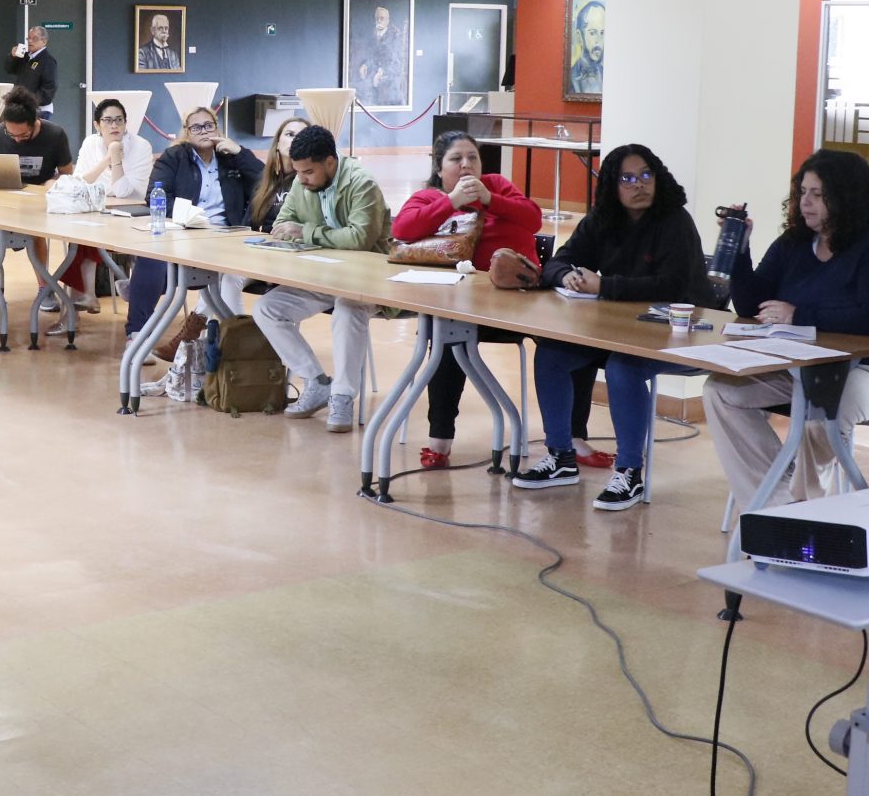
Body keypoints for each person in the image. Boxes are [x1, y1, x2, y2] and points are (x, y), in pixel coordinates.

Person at [704, 150, 869, 506]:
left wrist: (799, 314)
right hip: (808, 368)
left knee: (828, 400)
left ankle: (807, 511)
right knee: (723, 390)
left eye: (817, 195)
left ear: (846, 197)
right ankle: (775, 509)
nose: (805, 202)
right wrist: (740, 253)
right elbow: (751, 307)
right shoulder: (794, 243)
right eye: (802, 192)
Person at [514, 144, 707, 511]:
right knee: (552, 353)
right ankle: (560, 455)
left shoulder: (675, 221)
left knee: (624, 367)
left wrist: (606, 287)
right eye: (628, 179)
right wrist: (568, 275)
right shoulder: (603, 219)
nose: (640, 185)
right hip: (619, 329)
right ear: (613, 187)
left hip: (676, 333)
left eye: (647, 175)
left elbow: (673, 286)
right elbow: (558, 262)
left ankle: (630, 471)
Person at [391, 131, 543, 467]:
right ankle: (439, 442)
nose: (466, 165)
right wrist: (451, 202)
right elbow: (402, 230)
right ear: (439, 167)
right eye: (456, 159)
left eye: (472, 157)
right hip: (460, 305)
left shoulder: (498, 185)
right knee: (446, 338)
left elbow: (533, 219)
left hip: (516, 302)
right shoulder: (428, 197)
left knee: (563, 348)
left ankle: (570, 442)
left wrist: (490, 199)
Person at [253, 125, 392, 433]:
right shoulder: (303, 183)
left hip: (367, 281)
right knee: (266, 309)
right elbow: (282, 222)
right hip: (322, 276)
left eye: (308, 172)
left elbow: (359, 238)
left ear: (330, 163)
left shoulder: (361, 183)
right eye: (298, 172)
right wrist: (298, 231)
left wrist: (307, 232)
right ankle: (316, 382)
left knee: (347, 309)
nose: (301, 180)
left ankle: (342, 395)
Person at [124, 105, 262, 356]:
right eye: (195, 127)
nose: (203, 131)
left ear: (217, 128)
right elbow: (156, 196)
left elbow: (265, 182)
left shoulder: (232, 157)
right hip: (185, 231)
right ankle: (136, 335)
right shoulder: (174, 157)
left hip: (226, 236)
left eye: (208, 125)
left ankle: (230, 349)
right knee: (149, 257)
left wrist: (240, 152)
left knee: (225, 274)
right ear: (186, 132)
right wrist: (191, 217)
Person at [50, 98, 153, 319]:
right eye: (107, 121)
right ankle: (83, 298)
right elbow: (80, 182)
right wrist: (106, 158)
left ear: (126, 123)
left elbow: (126, 193)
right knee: (80, 234)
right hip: (98, 212)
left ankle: (79, 302)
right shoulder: (90, 143)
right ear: (97, 125)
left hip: (132, 217)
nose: (114, 126)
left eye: (119, 120)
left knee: (85, 236)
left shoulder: (141, 146)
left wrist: (116, 158)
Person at [249, 117, 310, 234]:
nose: (295, 140)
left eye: (301, 136)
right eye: (290, 134)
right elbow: (249, 223)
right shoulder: (263, 178)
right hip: (264, 243)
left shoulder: (310, 180)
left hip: (296, 243)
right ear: (277, 142)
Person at [7, 26, 59, 117]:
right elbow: (9, 69)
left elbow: (49, 89)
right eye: (28, 38)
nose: (30, 41)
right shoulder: (25, 57)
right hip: (21, 107)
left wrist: (29, 101)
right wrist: (13, 56)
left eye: (34, 38)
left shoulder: (48, 61)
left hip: (39, 109)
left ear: (44, 41)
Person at [568, 0, 604, 96]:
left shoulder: (609, 75)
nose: (599, 40)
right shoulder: (569, 77)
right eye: (592, 33)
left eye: (602, 33)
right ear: (580, 37)